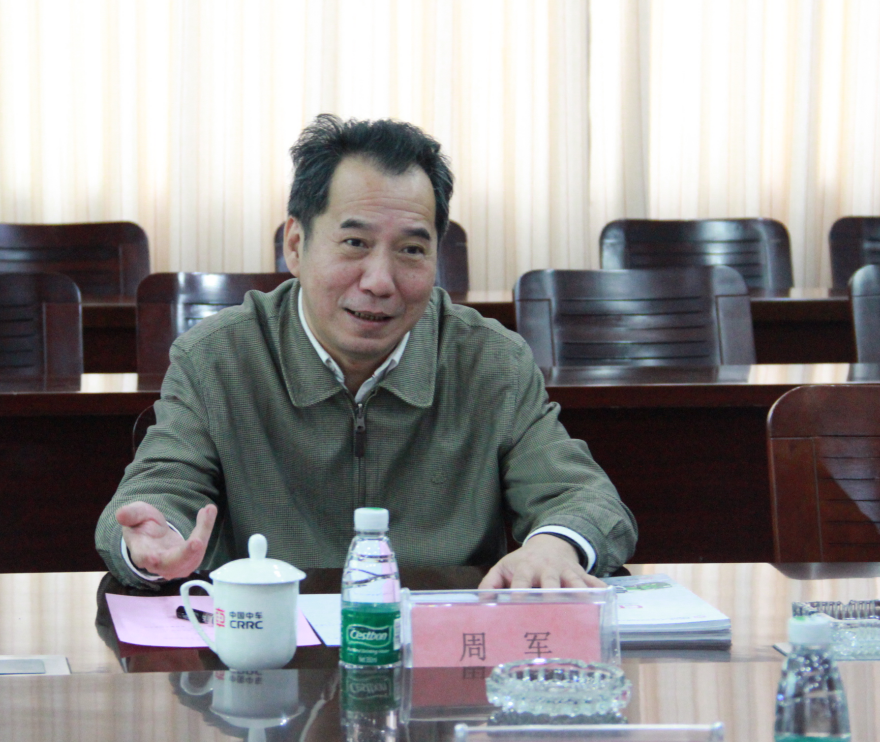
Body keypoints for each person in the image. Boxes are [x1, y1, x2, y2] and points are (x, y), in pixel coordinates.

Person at [95, 114, 637, 589]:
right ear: (296, 245)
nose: (380, 281)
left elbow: (584, 498)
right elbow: (159, 487)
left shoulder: (490, 362)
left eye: (411, 250)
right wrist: (154, 537)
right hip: (271, 652)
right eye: (354, 243)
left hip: (436, 654)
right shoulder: (217, 359)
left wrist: (556, 545)